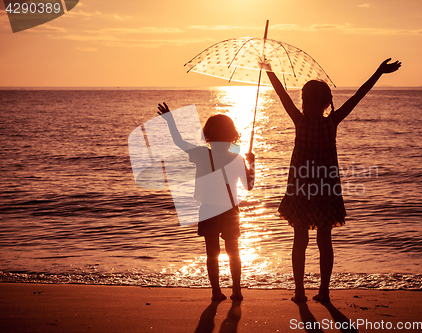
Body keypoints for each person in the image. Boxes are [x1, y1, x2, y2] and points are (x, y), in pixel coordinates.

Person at [263, 58, 401, 302]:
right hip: (326, 189)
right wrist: (378, 72)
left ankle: (299, 292)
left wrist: (270, 71)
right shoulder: (331, 122)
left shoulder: (300, 121)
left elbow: (282, 94)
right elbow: (358, 96)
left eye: (304, 100)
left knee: (300, 240)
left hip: (301, 189)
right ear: (327, 103)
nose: (302, 104)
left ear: (306, 102)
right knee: (324, 240)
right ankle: (324, 292)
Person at [157, 103, 255, 301]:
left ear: (208, 135)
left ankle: (216, 291)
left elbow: (179, 142)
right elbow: (249, 186)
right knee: (233, 252)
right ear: (232, 136)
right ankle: (237, 290)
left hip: (208, 209)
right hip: (230, 210)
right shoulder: (237, 158)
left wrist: (170, 120)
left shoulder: (202, 154)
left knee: (212, 253)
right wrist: (252, 162)